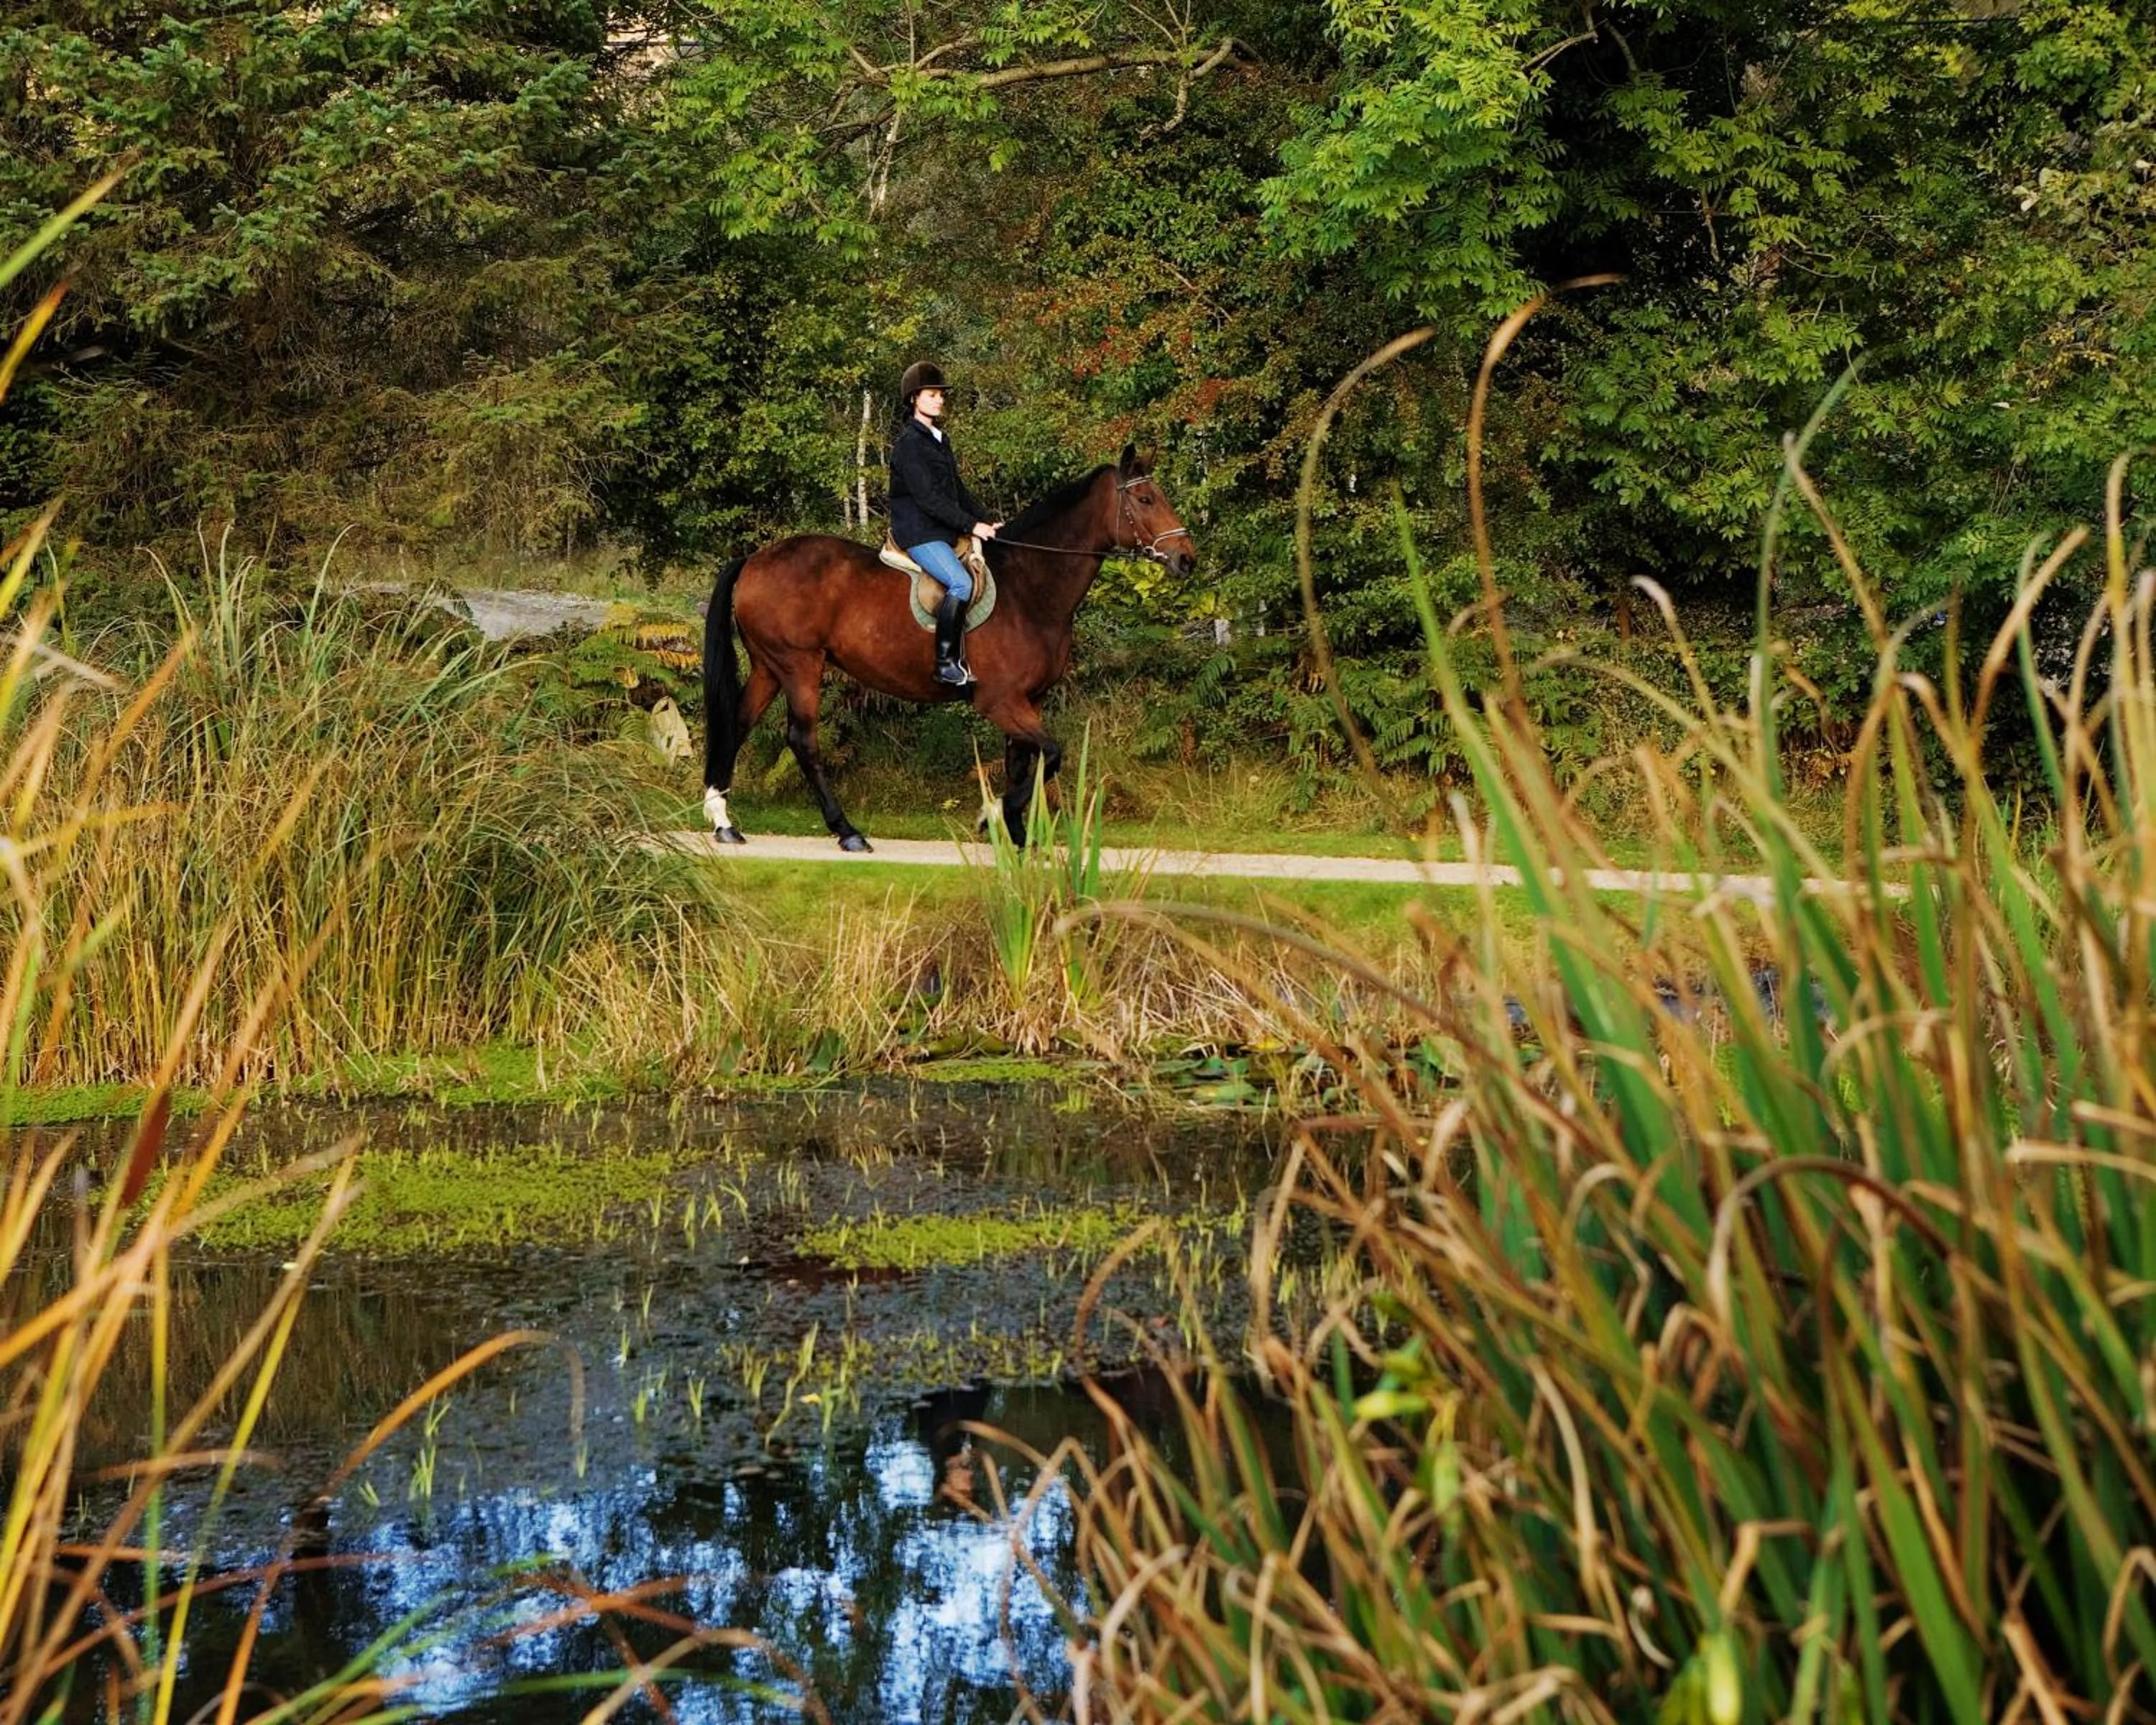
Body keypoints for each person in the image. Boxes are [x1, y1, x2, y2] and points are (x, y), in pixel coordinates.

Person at [889, 361, 1001, 686]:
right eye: (932, 394)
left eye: (941, 395)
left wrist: (985, 520)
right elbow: (929, 499)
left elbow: (957, 490)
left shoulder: (940, 439)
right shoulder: (909, 445)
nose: (939, 400)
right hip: (920, 532)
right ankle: (946, 663)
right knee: (961, 583)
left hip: (943, 529)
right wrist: (970, 524)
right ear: (915, 399)